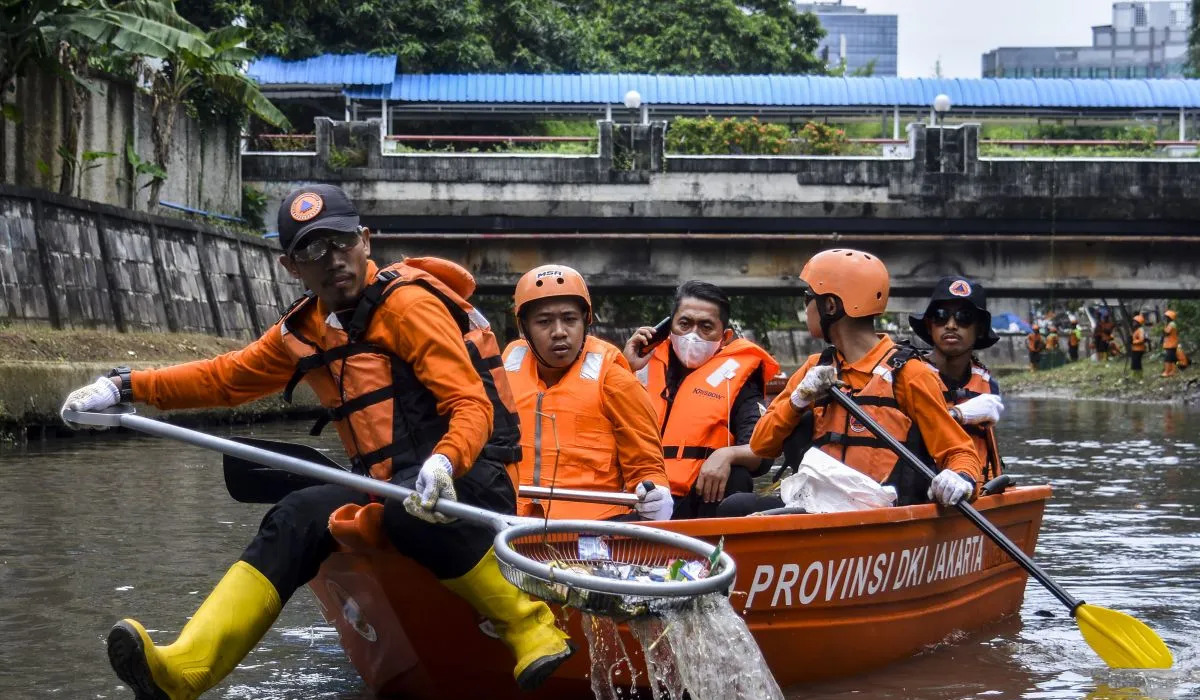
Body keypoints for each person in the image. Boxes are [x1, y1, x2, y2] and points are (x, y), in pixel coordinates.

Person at [59, 184, 573, 700]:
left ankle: (530, 626)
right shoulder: (303, 330)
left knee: (403, 509)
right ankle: (186, 671)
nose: (333, 260)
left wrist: (444, 460)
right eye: (311, 250)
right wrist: (123, 387)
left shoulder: (410, 306)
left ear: (365, 241)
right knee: (296, 513)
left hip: (469, 480)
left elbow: (471, 406)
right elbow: (223, 379)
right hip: (392, 489)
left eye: (342, 241)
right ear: (290, 266)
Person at [727, 249, 984, 516]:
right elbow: (761, 445)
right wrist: (798, 400)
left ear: (829, 306)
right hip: (815, 506)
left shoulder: (910, 374)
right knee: (735, 507)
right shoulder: (815, 368)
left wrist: (960, 478)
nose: (805, 307)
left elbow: (960, 453)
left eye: (809, 298)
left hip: (878, 513)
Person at [502, 264, 672, 521]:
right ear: (524, 328)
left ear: (585, 321)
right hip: (511, 522)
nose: (559, 331)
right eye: (544, 321)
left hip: (595, 527)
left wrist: (655, 492)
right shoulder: (503, 372)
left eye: (570, 319)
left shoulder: (614, 377)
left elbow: (646, 465)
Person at [623, 280, 780, 519]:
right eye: (684, 324)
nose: (693, 335)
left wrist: (727, 455)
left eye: (706, 327)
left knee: (736, 474)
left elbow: (762, 449)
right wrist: (625, 370)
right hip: (639, 495)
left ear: (724, 336)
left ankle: (715, 549)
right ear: (669, 327)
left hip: (697, 498)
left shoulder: (738, 380)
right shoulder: (637, 365)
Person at [908, 276, 1005, 483]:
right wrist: (957, 414)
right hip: (921, 491)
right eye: (941, 316)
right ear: (929, 324)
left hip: (975, 491)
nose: (951, 325)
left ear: (979, 329)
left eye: (964, 317)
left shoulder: (988, 385)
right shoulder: (907, 375)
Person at [1161, 309, 1180, 377]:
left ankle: (1167, 372)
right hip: (1171, 344)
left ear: (1169, 317)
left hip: (1171, 344)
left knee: (1168, 359)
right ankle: (1173, 371)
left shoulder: (1171, 324)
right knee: (1172, 358)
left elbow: (1166, 333)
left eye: (1166, 317)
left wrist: (1163, 328)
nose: (1165, 318)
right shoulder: (1171, 324)